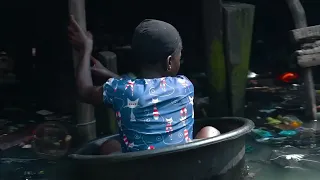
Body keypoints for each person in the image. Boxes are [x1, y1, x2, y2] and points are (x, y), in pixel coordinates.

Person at [68, 15, 220, 154]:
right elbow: (148, 92)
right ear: (169, 62)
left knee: (110, 146)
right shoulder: (185, 85)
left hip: (140, 170)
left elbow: (84, 91)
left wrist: (86, 50)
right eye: (178, 57)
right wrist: (111, 75)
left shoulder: (120, 90)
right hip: (182, 166)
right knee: (209, 131)